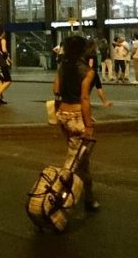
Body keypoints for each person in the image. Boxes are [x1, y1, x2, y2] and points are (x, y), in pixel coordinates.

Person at [51, 34, 99, 212]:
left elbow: (55, 90)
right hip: (77, 116)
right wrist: (89, 126)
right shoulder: (87, 71)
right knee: (72, 163)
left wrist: (57, 112)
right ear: (83, 50)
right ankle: (56, 197)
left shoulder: (62, 66)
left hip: (63, 114)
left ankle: (89, 198)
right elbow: (85, 98)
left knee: (81, 159)